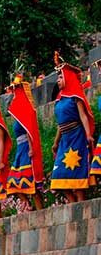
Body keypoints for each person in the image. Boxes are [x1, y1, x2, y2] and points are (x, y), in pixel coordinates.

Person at [51, 54, 95, 202]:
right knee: (59, 176)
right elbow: (60, 124)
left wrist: (88, 135)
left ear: (68, 78)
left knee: (76, 173)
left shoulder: (75, 97)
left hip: (77, 136)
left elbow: (83, 116)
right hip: (64, 139)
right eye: (58, 78)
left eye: (61, 77)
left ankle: (80, 203)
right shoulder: (59, 100)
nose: (58, 81)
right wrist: (56, 142)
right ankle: (72, 203)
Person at [6, 77, 45, 210]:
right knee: (13, 183)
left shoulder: (26, 109)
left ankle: (40, 210)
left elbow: (30, 129)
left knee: (31, 185)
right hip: (20, 149)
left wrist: (31, 147)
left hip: (27, 148)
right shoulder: (18, 113)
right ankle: (29, 207)